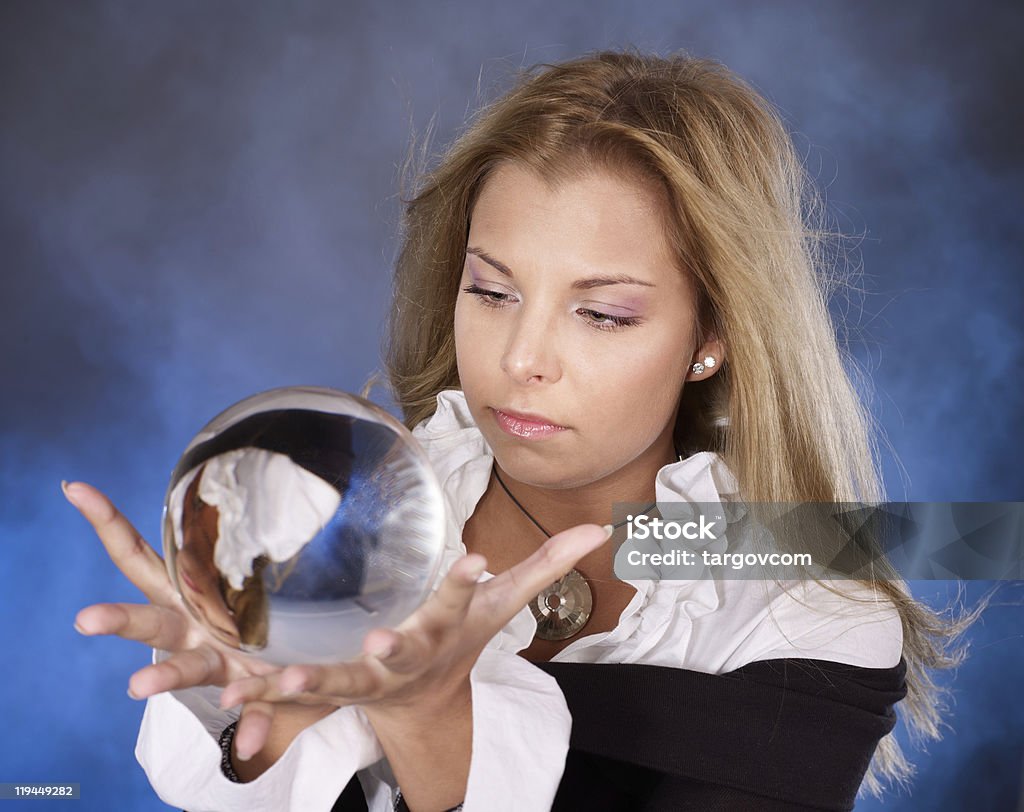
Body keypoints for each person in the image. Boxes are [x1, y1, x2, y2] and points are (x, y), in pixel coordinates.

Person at [66, 49, 981, 811]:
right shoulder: (337, 511)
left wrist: (429, 722)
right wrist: (261, 721)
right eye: (493, 291)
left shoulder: (808, 601)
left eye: (605, 315)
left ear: (713, 337)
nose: (521, 358)